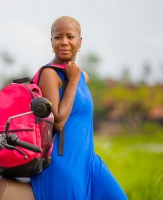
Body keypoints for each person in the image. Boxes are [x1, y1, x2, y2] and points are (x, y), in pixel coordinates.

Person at [30, 16, 128, 200]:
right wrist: (73, 80)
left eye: (70, 36)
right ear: (51, 41)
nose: (64, 42)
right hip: (62, 162)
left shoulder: (84, 77)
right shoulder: (50, 74)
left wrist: (76, 77)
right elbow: (57, 121)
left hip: (88, 160)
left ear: (80, 41)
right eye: (58, 37)